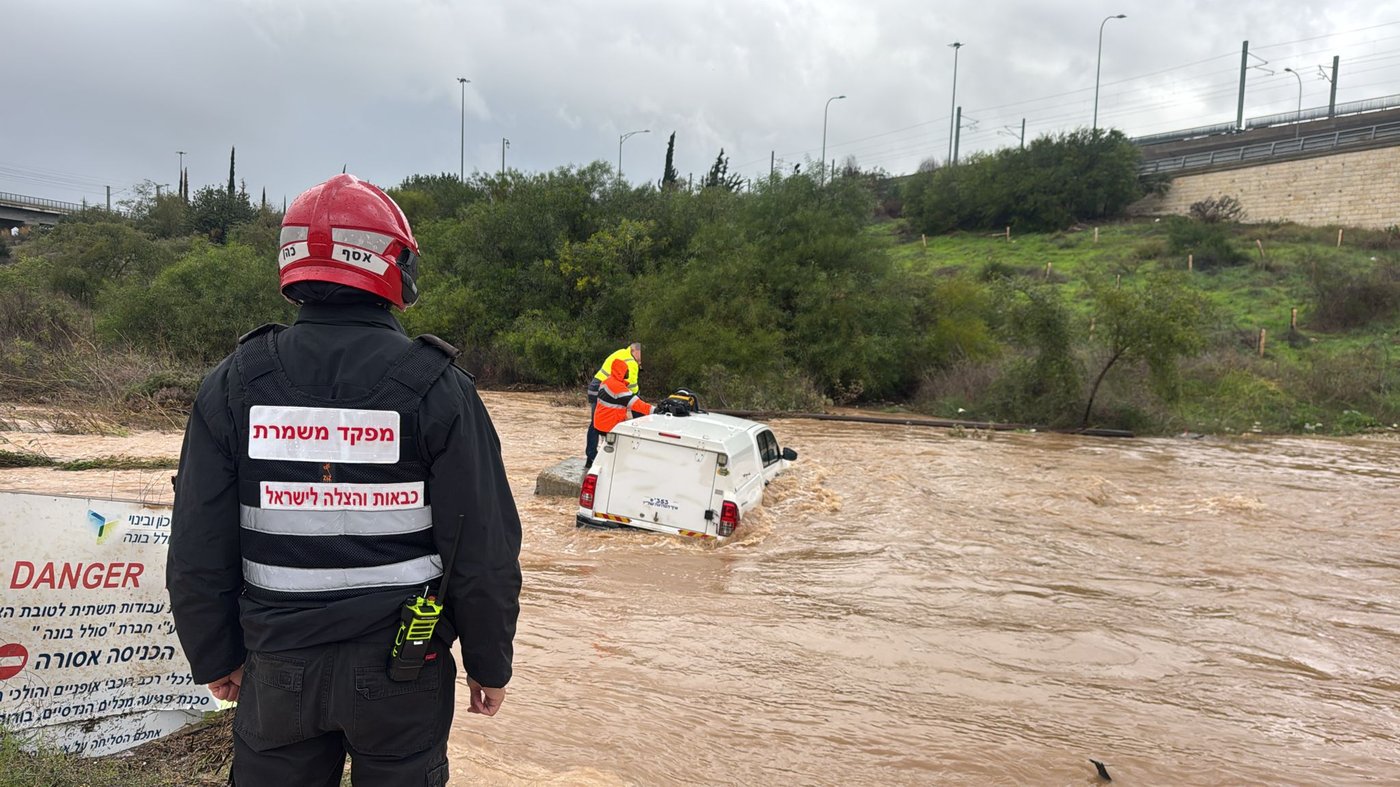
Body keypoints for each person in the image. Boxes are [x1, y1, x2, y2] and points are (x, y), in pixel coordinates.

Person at [166, 174, 522, 786]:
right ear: (391, 264)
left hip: (275, 661)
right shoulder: (439, 387)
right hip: (405, 666)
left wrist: (214, 652)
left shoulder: (234, 382)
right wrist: (489, 663)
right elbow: (483, 546)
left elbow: (198, 539)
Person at [584, 342, 641, 467]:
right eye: (640, 354)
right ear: (636, 352)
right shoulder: (631, 363)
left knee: (596, 423)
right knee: (602, 425)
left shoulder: (621, 352)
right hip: (603, 388)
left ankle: (591, 458)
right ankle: (596, 458)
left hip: (596, 387)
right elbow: (631, 389)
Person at [593, 357, 653, 438]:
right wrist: (654, 410)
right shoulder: (617, 387)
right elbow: (637, 404)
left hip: (601, 423)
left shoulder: (607, 381)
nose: (628, 372)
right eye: (626, 370)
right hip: (609, 427)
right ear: (621, 372)